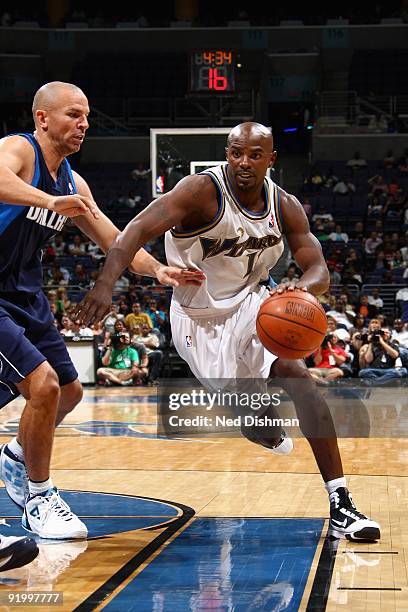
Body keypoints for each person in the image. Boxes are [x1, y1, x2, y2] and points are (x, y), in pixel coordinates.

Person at [76, 121, 380, 542]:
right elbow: (135, 231)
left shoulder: (284, 205)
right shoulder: (200, 191)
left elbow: (319, 270)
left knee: (302, 382)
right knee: (261, 426)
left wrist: (300, 287)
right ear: (227, 153)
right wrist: (105, 284)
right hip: (197, 321)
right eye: (236, 152)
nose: (243, 162)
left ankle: (341, 502)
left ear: (271, 160)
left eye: (255, 154)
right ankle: (259, 425)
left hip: (256, 307)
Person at [0, 81, 204, 540]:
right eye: (74, 114)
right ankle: (39, 496)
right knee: (43, 384)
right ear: (42, 118)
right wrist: (49, 201)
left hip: (25, 297)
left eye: (87, 116)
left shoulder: (75, 183)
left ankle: (15, 458)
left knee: (69, 394)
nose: (84, 124)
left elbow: (116, 241)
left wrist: (159, 271)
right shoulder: (18, 150)